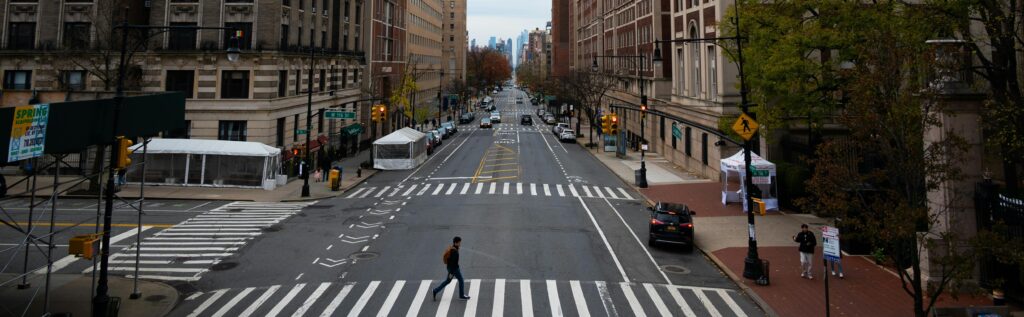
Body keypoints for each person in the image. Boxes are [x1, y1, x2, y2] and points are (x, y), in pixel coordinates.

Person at [432, 236, 470, 301]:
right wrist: (453, 271)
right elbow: (453, 263)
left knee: (447, 281)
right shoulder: (454, 252)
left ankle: (435, 291)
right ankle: (461, 295)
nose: (460, 244)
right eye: (459, 243)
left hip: (450, 268)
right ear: (456, 243)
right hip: (454, 269)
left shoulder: (452, 248)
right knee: (461, 280)